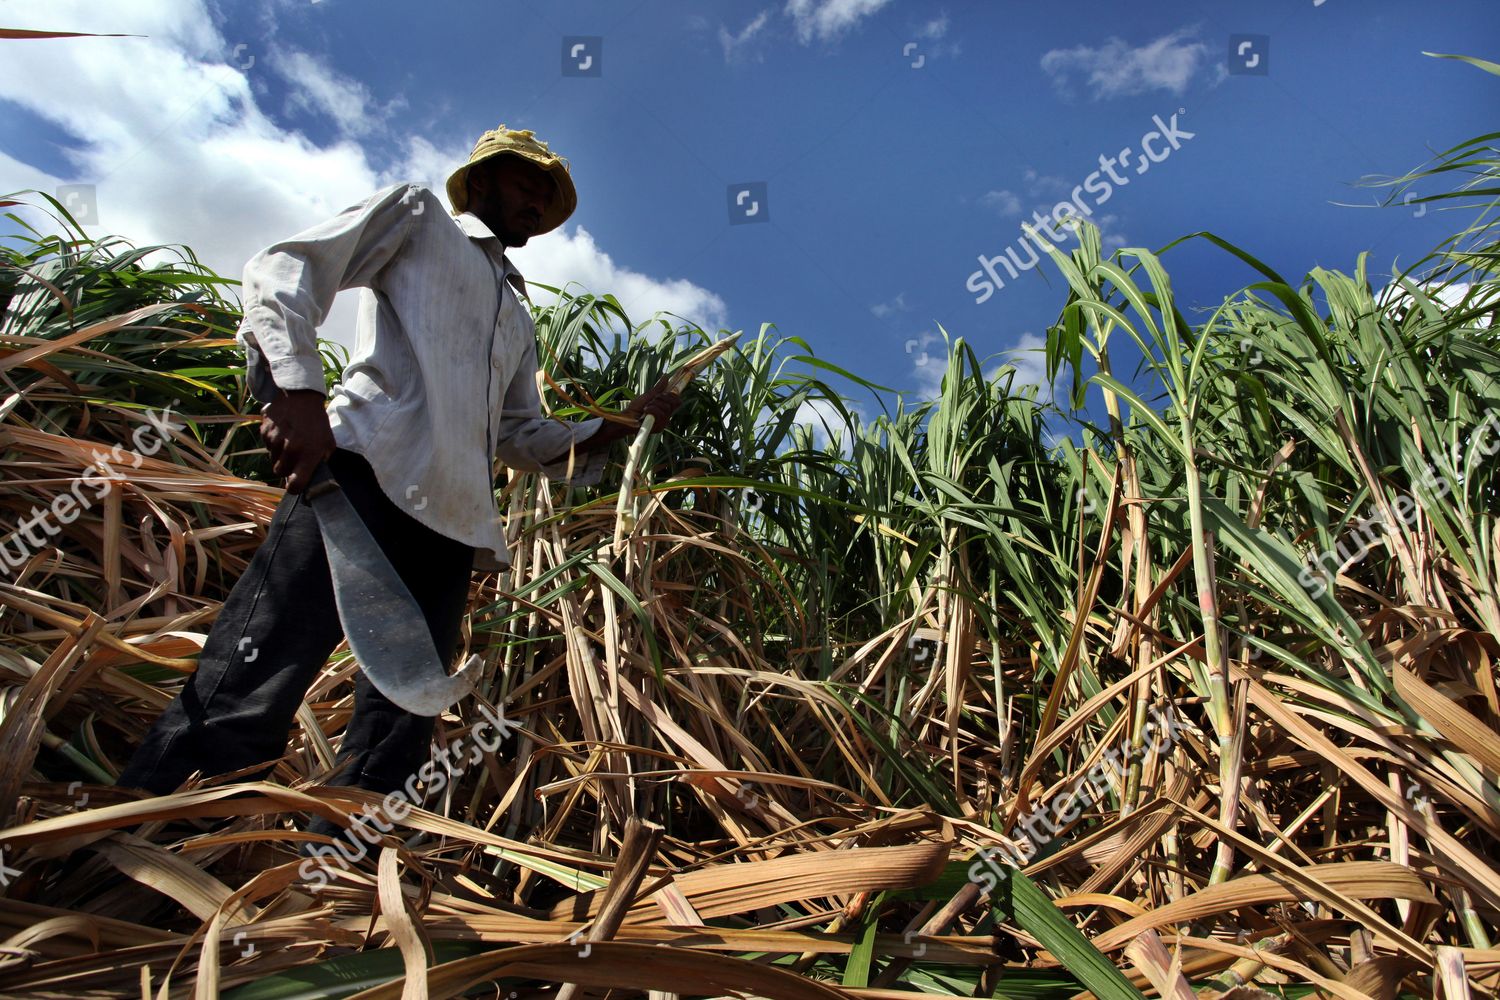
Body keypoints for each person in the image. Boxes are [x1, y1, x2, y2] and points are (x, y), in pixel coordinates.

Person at [115, 125, 681, 842]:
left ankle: (342, 892)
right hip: (361, 477)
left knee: (398, 729)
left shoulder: (516, 316)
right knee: (255, 674)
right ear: (479, 182)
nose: (537, 197)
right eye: (524, 179)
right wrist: (294, 393)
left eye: (548, 191)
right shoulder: (419, 221)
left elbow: (519, 436)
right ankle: (136, 851)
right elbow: (285, 270)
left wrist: (619, 424)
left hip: (451, 529)